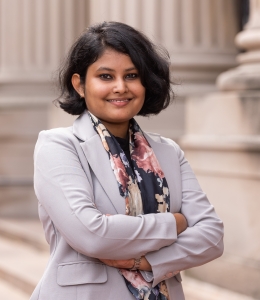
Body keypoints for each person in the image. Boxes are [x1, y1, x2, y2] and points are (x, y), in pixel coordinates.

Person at [31, 21, 224, 300]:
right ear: (80, 85)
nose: (120, 87)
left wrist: (145, 263)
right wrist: (176, 223)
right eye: (106, 76)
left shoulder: (168, 151)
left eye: (132, 75)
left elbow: (212, 237)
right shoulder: (59, 146)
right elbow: (92, 234)